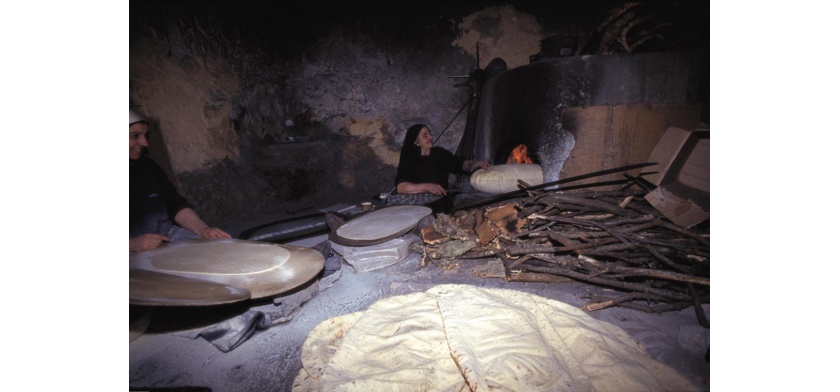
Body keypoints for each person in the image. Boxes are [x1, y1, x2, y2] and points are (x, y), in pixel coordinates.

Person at [129, 108, 231, 252]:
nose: (145, 143)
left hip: (167, 235)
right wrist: (132, 244)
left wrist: (203, 230)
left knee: (221, 251)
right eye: (135, 136)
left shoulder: (148, 166)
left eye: (145, 136)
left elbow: (174, 205)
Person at [392, 123, 490, 213]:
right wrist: (428, 187)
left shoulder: (439, 153)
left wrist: (473, 164)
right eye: (425, 135)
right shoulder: (409, 158)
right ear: (416, 142)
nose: (430, 137)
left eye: (430, 133)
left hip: (440, 203)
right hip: (417, 205)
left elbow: (458, 163)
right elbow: (401, 187)